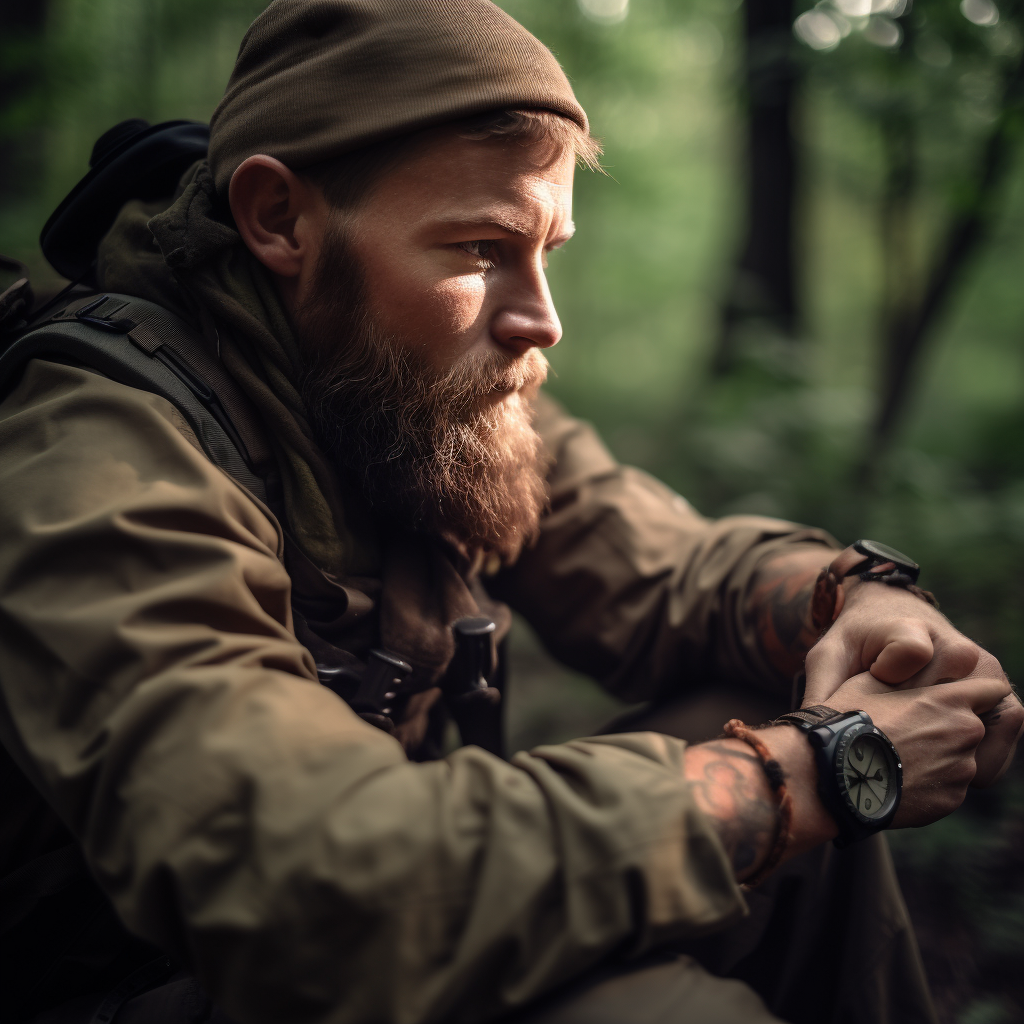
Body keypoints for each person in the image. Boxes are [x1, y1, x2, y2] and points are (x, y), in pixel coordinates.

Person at [0, 2, 1020, 1023]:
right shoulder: (99, 461)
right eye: (481, 247)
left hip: (361, 927)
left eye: (548, 249)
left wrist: (849, 603)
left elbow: (661, 571)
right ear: (279, 219)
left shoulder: (404, 385)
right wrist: (815, 773)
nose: (542, 318)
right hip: (166, 977)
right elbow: (302, 881)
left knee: (786, 796)